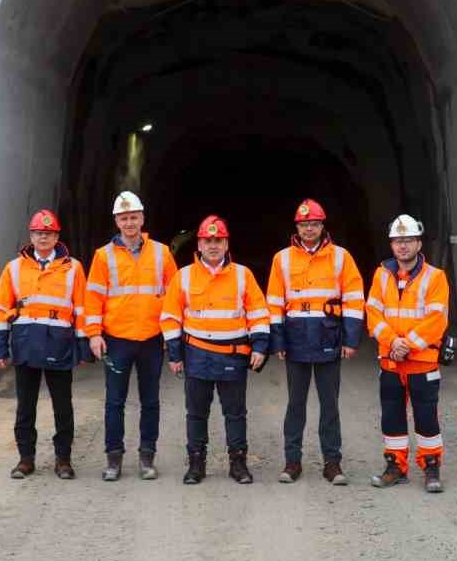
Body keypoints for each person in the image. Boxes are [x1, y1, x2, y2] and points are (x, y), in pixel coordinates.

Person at [159, 215, 270, 485]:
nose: (212, 245)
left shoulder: (243, 275)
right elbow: (170, 317)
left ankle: (238, 464)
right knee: (196, 413)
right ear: (198, 243)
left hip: (233, 355)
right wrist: (174, 355)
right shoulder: (183, 277)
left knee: (235, 413)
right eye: (207, 241)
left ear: (226, 243)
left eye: (217, 240)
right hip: (197, 355)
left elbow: (258, 313)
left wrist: (260, 346)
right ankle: (196, 464)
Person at [266, 198, 365, 485]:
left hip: (328, 338)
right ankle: (292, 462)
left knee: (329, 405)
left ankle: (332, 463)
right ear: (297, 227)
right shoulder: (281, 259)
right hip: (296, 340)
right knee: (295, 405)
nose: (309, 229)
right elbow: (274, 302)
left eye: (314, 224)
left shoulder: (341, 257)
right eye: (304, 224)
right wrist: (278, 341)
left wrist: (351, 339)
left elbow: (355, 298)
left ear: (322, 226)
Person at [0, 209, 89, 480]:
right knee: (26, 406)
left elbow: (82, 309)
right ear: (31, 236)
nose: (43, 237)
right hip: (26, 344)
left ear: (57, 236)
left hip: (60, 345)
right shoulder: (14, 268)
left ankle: (63, 460)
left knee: (63, 406)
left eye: (48, 233)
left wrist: (82, 347)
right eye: (38, 233)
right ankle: (25, 459)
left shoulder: (73, 268)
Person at [84, 190, 173, 481]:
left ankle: (147, 458)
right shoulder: (102, 256)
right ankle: (114, 460)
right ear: (116, 221)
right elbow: (94, 298)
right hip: (117, 339)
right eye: (124, 218)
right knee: (115, 402)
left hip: (151, 338)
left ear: (142, 218)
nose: (129, 222)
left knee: (150, 401)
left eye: (134, 217)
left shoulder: (161, 252)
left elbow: (174, 295)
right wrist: (94, 334)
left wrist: (172, 336)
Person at [363, 214, 450, 493]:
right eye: (398, 241)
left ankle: (431, 467)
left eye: (408, 240)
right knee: (391, 417)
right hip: (390, 361)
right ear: (391, 244)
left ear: (418, 243)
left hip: (421, 362)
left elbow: (436, 320)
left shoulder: (435, 277)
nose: (402, 246)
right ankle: (395, 467)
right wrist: (392, 342)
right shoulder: (381, 274)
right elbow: (372, 313)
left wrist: (406, 344)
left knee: (427, 417)